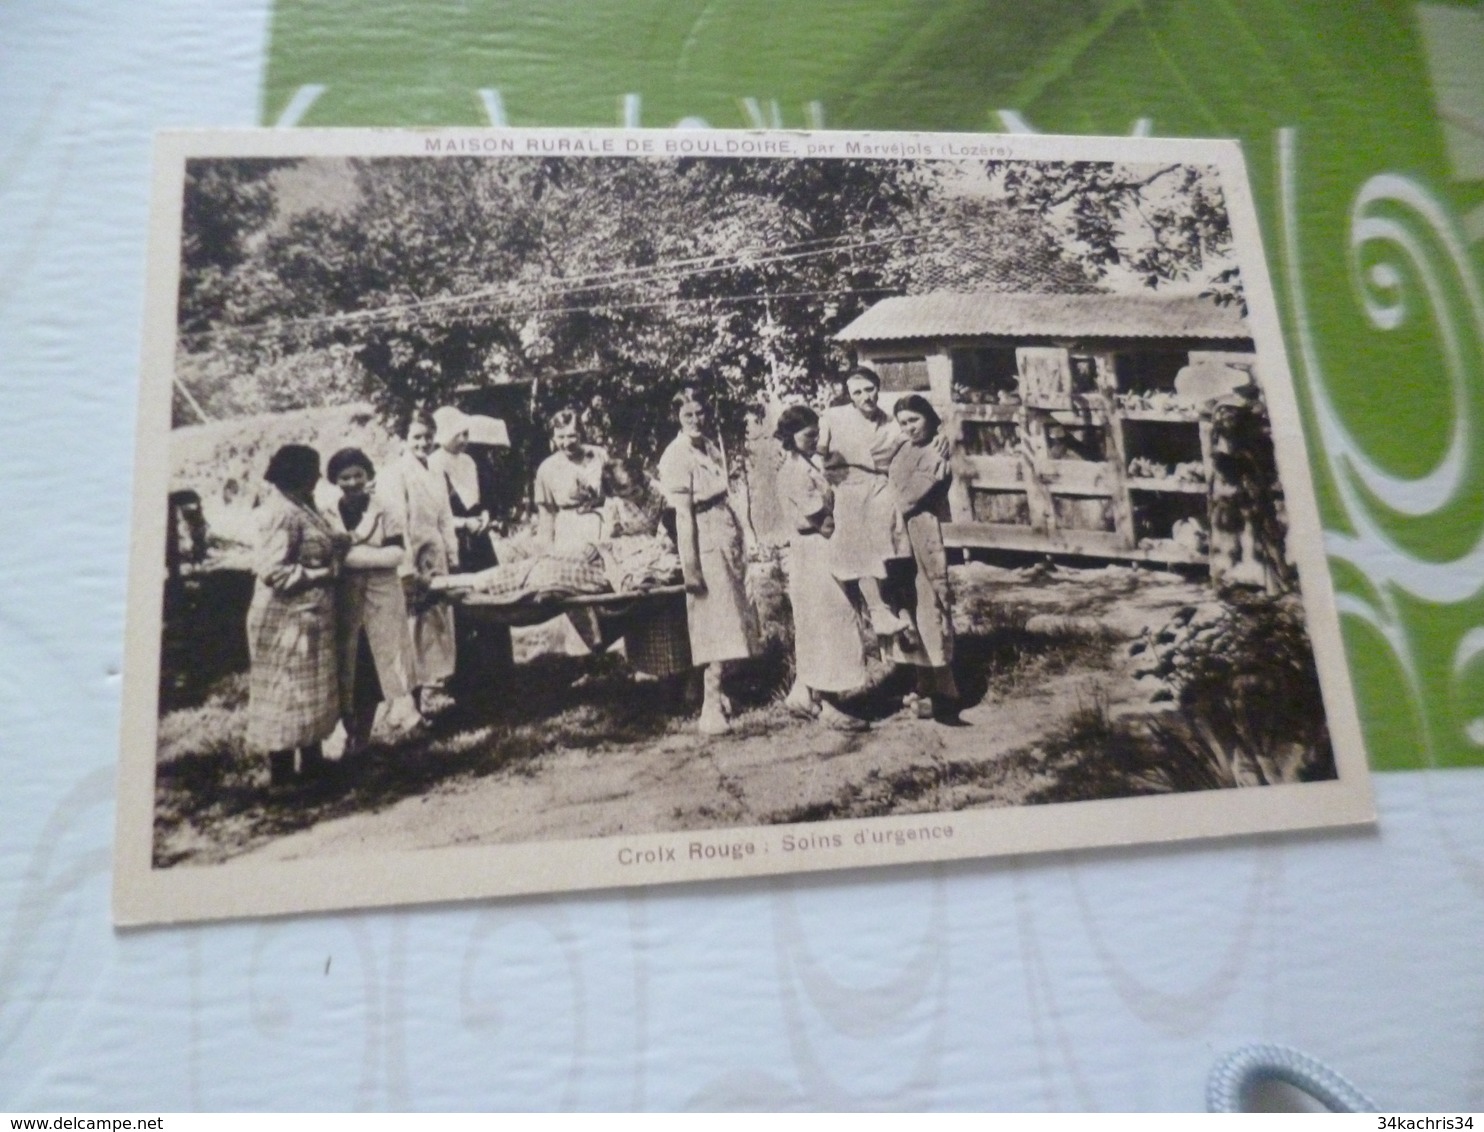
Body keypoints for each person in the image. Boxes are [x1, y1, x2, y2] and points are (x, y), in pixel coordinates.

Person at [657, 388, 759, 735]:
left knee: (732, 615)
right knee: (715, 620)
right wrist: (691, 567)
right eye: (688, 416)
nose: (696, 420)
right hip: (701, 536)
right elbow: (682, 517)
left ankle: (721, 692)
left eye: (700, 413)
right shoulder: (675, 456)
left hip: (724, 529)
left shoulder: (709, 447)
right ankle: (709, 706)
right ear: (677, 418)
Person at [244, 444, 344, 788]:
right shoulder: (281, 512)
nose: (318, 476)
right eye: (314, 470)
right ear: (298, 473)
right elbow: (273, 572)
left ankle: (313, 765)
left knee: (309, 693)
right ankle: (283, 778)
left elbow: (320, 541)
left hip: (308, 618)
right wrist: (322, 575)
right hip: (283, 621)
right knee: (285, 694)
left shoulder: (301, 504)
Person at [774, 405, 868, 731]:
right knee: (827, 624)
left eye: (817, 433)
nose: (815, 440)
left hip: (820, 552)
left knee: (825, 623)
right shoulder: (794, 472)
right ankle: (829, 704)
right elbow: (825, 525)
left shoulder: (809, 464)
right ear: (790, 436)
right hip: (813, 554)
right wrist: (837, 507)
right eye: (808, 434)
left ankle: (804, 693)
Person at [325, 447, 414, 757]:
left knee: (377, 669)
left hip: (382, 597)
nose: (352, 482)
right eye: (344, 476)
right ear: (335, 479)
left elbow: (396, 554)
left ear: (368, 476)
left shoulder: (385, 508)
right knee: (347, 668)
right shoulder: (328, 512)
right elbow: (327, 555)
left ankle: (363, 738)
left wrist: (349, 558)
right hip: (346, 601)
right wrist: (363, 559)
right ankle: (350, 736)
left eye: (358, 475)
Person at [816, 367, 914, 638]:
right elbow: (816, 452)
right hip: (844, 487)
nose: (865, 397)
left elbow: (920, 431)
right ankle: (878, 612)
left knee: (891, 550)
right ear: (849, 395)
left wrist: (939, 437)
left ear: (877, 388)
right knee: (857, 542)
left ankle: (901, 617)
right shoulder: (834, 417)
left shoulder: (891, 423)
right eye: (857, 392)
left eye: (869, 389)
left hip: (879, 487)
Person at [376, 411, 458, 712]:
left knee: (437, 622)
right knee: (413, 624)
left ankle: (433, 691)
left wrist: (452, 552)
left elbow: (445, 517)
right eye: (416, 437)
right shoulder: (394, 474)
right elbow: (397, 526)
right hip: (411, 558)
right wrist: (406, 570)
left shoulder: (436, 471)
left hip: (435, 553)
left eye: (427, 436)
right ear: (403, 440)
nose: (423, 443)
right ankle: (406, 702)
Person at [430, 405, 513, 692]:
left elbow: (479, 499)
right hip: (454, 540)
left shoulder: (469, 462)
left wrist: (485, 517)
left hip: (478, 538)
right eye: (458, 434)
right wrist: (463, 524)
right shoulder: (433, 464)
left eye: (466, 433)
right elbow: (435, 514)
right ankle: (465, 676)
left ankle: (499, 669)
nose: (464, 439)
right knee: (462, 603)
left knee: (491, 593)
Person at [887, 395, 959, 721]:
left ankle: (947, 689)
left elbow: (906, 499)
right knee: (908, 604)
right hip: (899, 536)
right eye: (903, 423)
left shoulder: (938, 455)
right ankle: (922, 680)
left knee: (930, 604)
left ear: (928, 418)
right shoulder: (903, 449)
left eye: (914, 420)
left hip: (921, 532)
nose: (909, 428)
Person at [534, 409, 608, 552]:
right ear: (553, 438)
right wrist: (547, 551)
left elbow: (618, 496)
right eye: (560, 437)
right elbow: (547, 515)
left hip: (603, 527)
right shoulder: (547, 468)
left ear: (581, 433)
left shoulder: (599, 456)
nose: (566, 443)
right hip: (570, 534)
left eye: (571, 436)